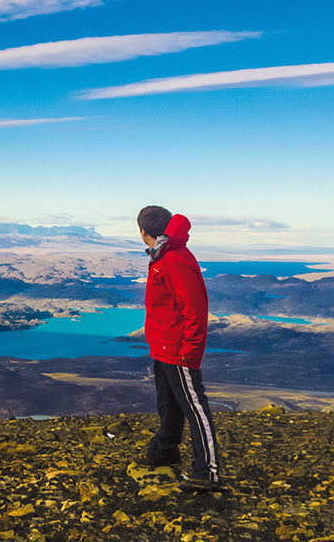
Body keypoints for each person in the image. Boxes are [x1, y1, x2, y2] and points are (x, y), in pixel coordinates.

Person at [135, 206, 223, 492]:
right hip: (163, 346)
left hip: (178, 348)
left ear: (143, 232)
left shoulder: (173, 259)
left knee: (194, 407)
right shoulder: (164, 256)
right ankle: (165, 450)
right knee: (168, 402)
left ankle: (207, 471)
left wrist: (189, 351)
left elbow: (194, 310)